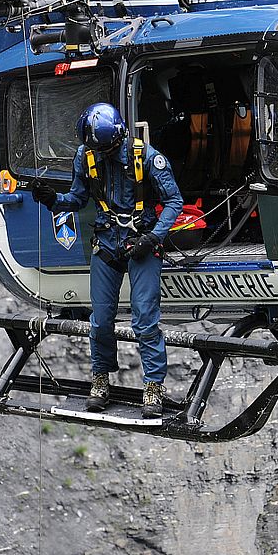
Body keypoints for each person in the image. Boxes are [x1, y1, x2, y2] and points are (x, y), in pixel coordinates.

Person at [35, 103, 184, 418]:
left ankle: (153, 387)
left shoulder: (147, 158)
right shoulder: (85, 156)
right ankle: (100, 379)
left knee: (145, 319)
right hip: (106, 243)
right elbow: (78, 198)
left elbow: (174, 201)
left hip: (142, 244)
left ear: (115, 141)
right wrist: (53, 200)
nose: (98, 154)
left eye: (102, 149)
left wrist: (153, 237)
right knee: (101, 320)